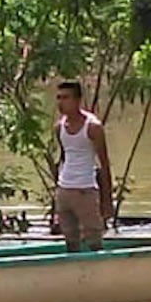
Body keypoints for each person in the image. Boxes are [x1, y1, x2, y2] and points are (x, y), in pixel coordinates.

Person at [52, 80, 114, 252]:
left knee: (94, 240)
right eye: (58, 98)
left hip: (85, 189)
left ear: (78, 100)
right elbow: (64, 157)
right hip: (64, 189)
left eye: (66, 98)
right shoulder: (59, 127)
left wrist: (107, 200)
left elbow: (104, 163)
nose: (61, 103)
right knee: (70, 240)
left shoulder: (93, 127)